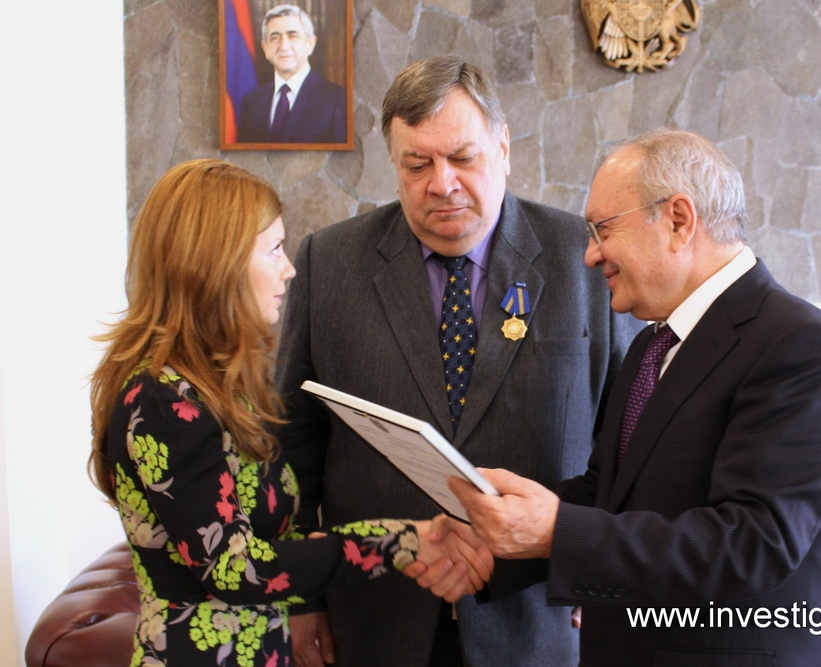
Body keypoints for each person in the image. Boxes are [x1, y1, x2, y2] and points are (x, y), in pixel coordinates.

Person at [446, 129, 821, 665]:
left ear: (678, 220)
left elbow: (754, 544)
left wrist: (554, 531)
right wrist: (491, 540)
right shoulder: (653, 343)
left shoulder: (800, 346)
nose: (590, 255)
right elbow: (609, 494)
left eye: (602, 229)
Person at [275, 56, 643, 666]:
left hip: (538, 617)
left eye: (462, 158)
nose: (441, 183)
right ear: (394, 164)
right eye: (417, 164)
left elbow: (630, 436)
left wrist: (599, 566)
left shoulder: (582, 259)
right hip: (375, 617)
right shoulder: (328, 263)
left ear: (503, 149)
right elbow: (291, 449)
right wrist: (301, 598)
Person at [87, 159, 491, 667]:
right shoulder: (162, 400)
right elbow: (234, 568)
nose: (290, 269)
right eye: (274, 249)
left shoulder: (223, 387)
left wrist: (408, 541)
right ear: (217, 261)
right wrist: (401, 543)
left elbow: (274, 539)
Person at [237, 4, 347, 144]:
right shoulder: (252, 102)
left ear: (310, 44)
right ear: (265, 48)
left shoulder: (336, 100)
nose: (283, 46)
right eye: (275, 38)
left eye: (293, 36)